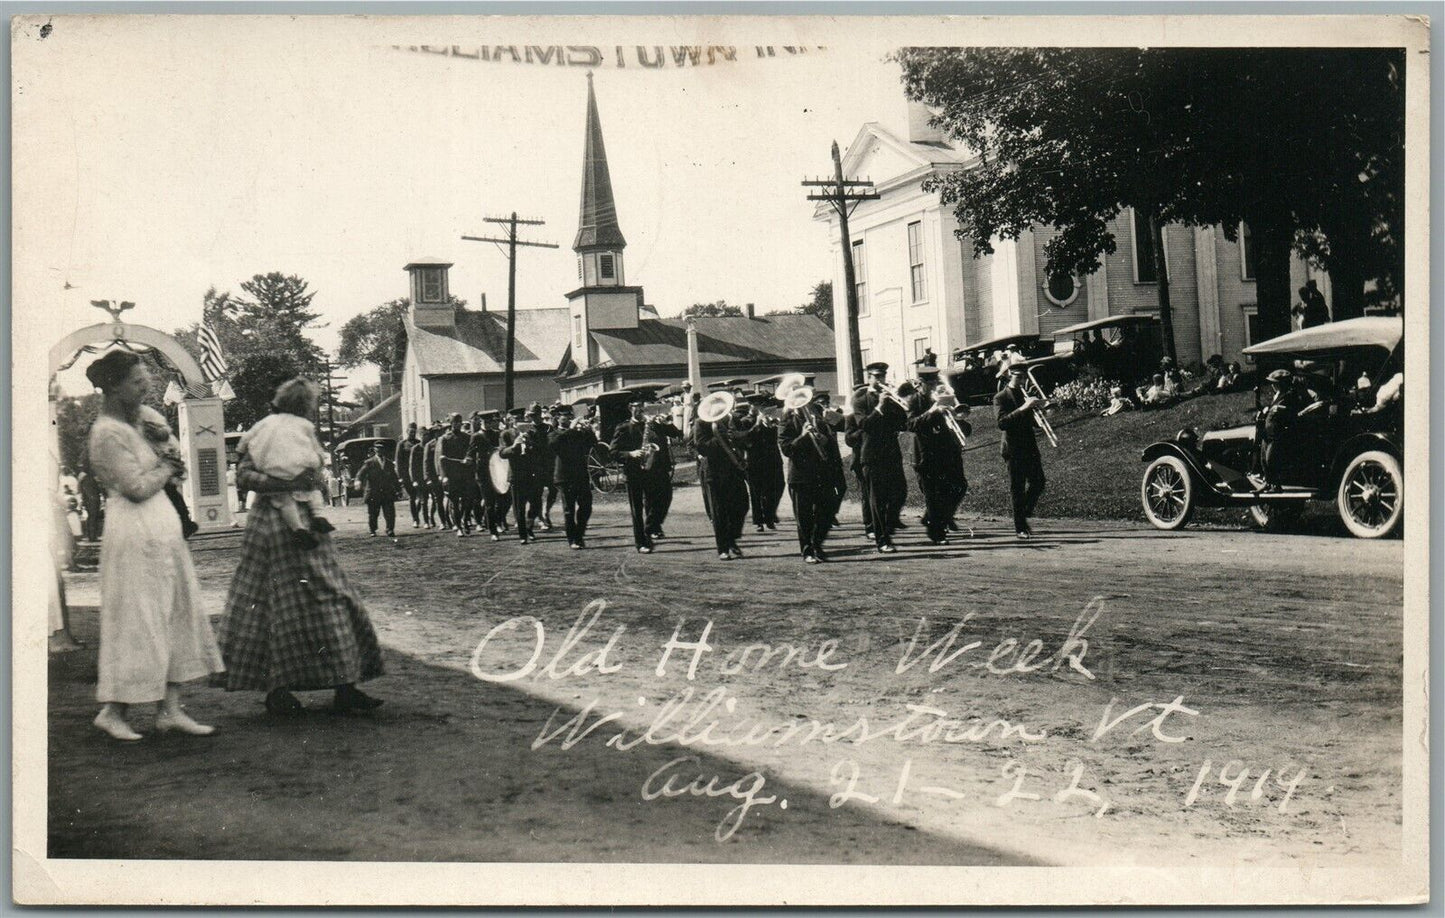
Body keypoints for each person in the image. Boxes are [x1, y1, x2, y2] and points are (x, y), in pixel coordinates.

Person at [83, 350, 223, 740]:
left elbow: (174, 460)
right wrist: (166, 466)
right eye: (136, 382)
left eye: (146, 380)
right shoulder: (106, 433)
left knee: (174, 612)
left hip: (163, 529)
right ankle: (113, 711)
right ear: (113, 387)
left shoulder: (144, 419)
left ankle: (170, 709)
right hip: (133, 531)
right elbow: (136, 487)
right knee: (138, 619)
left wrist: (166, 449)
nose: (145, 388)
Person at [216, 449, 385, 717]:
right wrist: (280, 482)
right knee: (275, 605)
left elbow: (316, 471)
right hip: (271, 527)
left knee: (332, 595)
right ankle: (278, 690)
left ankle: (345, 685)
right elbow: (244, 476)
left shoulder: (304, 437)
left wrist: (309, 476)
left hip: (309, 520)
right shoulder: (260, 438)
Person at [236, 378, 331, 549]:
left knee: (285, 502)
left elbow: (244, 442)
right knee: (314, 495)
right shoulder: (304, 426)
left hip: (274, 511)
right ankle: (318, 517)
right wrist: (312, 468)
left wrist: (240, 449)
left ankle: (301, 528)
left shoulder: (263, 427)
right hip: (278, 517)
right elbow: (243, 476)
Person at [778, 388, 846, 563]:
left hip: (821, 473)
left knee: (827, 511)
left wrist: (825, 439)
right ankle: (808, 550)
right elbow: (787, 449)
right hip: (800, 476)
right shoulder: (787, 420)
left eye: (805, 399)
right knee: (804, 517)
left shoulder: (819, 416)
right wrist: (802, 436)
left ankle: (817, 543)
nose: (804, 404)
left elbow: (837, 431)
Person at [855, 361, 909, 553]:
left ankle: (887, 526)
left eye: (882, 376)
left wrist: (897, 403)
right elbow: (864, 425)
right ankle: (882, 540)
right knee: (877, 500)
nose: (880, 380)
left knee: (900, 492)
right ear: (869, 377)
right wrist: (879, 407)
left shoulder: (890, 398)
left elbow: (902, 423)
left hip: (891, 454)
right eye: (876, 377)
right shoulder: (861, 400)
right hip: (872, 455)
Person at [908, 386, 972, 545]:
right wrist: (932, 411)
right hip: (926, 457)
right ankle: (937, 533)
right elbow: (911, 425)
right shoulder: (916, 401)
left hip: (948, 456)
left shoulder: (946, 403)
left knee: (959, 486)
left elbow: (965, 431)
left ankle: (933, 518)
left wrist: (958, 419)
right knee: (933, 496)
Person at [692, 398, 751, 560]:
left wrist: (737, 437)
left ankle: (731, 537)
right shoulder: (701, 423)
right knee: (719, 512)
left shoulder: (731, 421)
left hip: (734, 470)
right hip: (714, 472)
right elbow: (701, 446)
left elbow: (744, 441)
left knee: (742, 505)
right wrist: (719, 438)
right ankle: (723, 548)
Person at [995, 363, 1047, 539]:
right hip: (1013, 448)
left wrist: (1040, 414)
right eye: (1018, 377)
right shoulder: (1001, 397)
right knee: (1017, 488)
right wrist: (1024, 408)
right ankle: (1020, 528)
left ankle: (1023, 513)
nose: (1022, 381)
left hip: (1029, 446)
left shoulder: (1027, 395)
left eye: (1024, 377)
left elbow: (1032, 422)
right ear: (1010, 375)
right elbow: (1002, 423)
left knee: (1038, 482)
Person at [609, 397, 660, 553]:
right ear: (630, 408)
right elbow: (613, 452)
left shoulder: (648, 425)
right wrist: (631, 454)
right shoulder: (623, 427)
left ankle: (649, 532)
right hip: (633, 473)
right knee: (636, 510)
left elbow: (658, 440)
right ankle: (641, 543)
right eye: (636, 406)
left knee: (654, 504)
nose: (639, 409)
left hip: (649, 470)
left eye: (641, 406)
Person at [1253, 369, 1312, 491]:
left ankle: (1276, 485)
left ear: (1282, 384)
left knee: (1270, 459)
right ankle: (1268, 482)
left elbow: (1296, 410)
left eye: (1275, 383)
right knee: (1263, 459)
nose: (1272, 385)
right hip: (1268, 432)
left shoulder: (1290, 395)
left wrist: (1283, 409)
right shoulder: (1277, 395)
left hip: (1278, 432)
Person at [550, 414, 599, 549]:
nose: (567, 418)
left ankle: (579, 534)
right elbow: (554, 445)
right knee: (569, 510)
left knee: (586, 506)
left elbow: (593, 444)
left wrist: (588, 430)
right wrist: (571, 429)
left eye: (569, 416)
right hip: (564, 476)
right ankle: (573, 539)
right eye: (563, 416)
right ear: (557, 419)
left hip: (580, 474)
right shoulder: (554, 434)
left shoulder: (578, 433)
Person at [739, 394, 785, 532]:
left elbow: (775, 439)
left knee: (777, 487)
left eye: (762, 405)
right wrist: (757, 425)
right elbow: (746, 440)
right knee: (756, 492)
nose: (760, 408)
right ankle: (759, 521)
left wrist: (772, 425)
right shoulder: (745, 421)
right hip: (755, 461)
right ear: (751, 406)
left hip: (772, 460)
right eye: (757, 405)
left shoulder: (769, 420)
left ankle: (769, 515)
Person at [500, 409, 544, 544]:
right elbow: (502, 453)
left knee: (536, 503)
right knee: (519, 507)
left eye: (521, 418)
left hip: (532, 473)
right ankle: (523, 535)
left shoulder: (532, 432)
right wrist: (514, 446)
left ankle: (529, 525)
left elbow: (541, 450)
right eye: (515, 418)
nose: (518, 421)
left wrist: (530, 443)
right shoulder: (506, 434)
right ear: (510, 420)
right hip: (516, 474)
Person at [436, 413, 476, 537]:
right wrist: (444, 476)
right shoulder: (445, 438)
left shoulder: (467, 437)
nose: (457, 424)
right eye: (455, 422)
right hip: (452, 474)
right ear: (451, 423)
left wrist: (469, 460)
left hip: (465, 474)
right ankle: (459, 526)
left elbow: (471, 452)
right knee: (454, 502)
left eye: (459, 422)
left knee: (467, 500)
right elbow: (442, 459)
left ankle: (464, 519)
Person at [357, 442, 398, 537]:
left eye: (381, 448)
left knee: (389, 512)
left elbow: (394, 477)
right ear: (375, 449)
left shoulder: (389, 463)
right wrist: (358, 481)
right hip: (373, 491)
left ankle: (390, 529)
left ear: (384, 450)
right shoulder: (369, 462)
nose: (379, 450)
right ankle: (373, 530)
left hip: (387, 491)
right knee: (373, 513)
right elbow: (361, 473)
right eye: (377, 448)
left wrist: (398, 488)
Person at [394, 422, 423, 529]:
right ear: (407, 432)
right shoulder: (402, 444)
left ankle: (416, 513)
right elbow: (398, 461)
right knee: (412, 496)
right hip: (406, 475)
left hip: (418, 474)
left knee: (421, 497)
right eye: (410, 432)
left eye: (414, 432)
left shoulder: (419, 443)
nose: (412, 434)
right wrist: (400, 476)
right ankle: (415, 519)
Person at [422, 422, 450, 530]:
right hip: (434, 476)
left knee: (450, 498)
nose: (439, 433)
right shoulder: (430, 445)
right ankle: (443, 522)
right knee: (438, 499)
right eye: (436, 432)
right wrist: (427, 478)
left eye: (440, 431)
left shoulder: (446, 442)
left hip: (446, 474)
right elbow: (426, 462)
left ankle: (450, 520)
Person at [78, 465, 104, 541]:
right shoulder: (89, 480)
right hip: (92, 502)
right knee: (93, 518)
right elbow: (91, 493)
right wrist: (95, 500)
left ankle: (92, 536)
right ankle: (92, 537)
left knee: (91, 518)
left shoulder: (86, 479)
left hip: (90, 501)